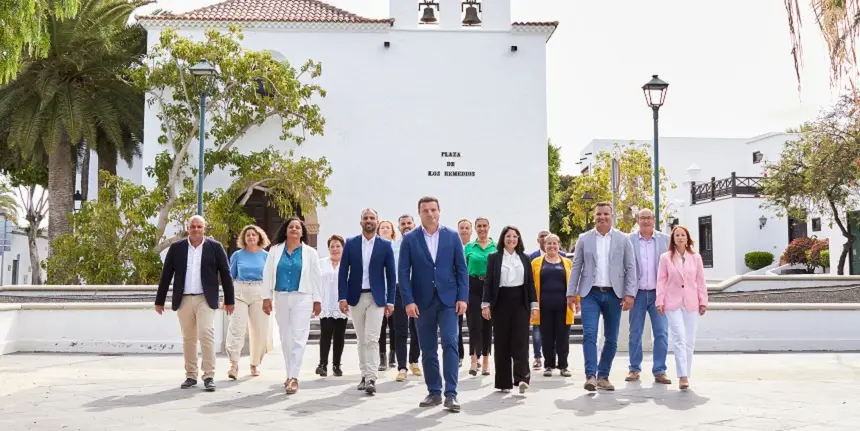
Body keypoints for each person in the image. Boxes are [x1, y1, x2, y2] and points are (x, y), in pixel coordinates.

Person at [399, 196, 468, 412]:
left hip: (448, 300)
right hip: (422, 302)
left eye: (433, 210)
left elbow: (461, 269)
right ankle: (434, 392)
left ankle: (451, 394)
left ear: (439, 211)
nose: (430, 214)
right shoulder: (410, 239)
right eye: (426, 210)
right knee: (428, 349)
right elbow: (403, 272)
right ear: (419, 213)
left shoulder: (452, 236)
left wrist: (463, 297)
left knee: (450, 342)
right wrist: (408, 301)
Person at [155, 215, 235, 392]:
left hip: (205, 299)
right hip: (183, 299)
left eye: (199, 226)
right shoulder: (177, 248)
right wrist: (159, 300)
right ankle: (191, 375)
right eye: (193, 226)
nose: (196, 229)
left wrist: (230, 300)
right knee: (188, 338)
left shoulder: (215, 247)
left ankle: (209, 376)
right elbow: (166, 274)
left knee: (206, 334)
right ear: (188, 228)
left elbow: (226, 273)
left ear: (205, 228)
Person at [566, 202, 636, 392]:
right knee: (589, 334)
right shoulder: (584, 238)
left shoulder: (623, 239)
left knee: (611, 337)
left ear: (612, 216)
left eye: (606, 214)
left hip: (615, 294)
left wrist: (630, 293)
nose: (602, 217)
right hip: (590, 293)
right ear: (594, 216)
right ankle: (590, 375)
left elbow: (630, 267)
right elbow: (576, 266)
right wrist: (571, 293)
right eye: (598, 214)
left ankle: (603, 375)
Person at [261, 217, 322, 395]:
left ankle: (294, 376)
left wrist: (317, 300)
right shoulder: (275, 250)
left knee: (298, 338)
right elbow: (267, 274)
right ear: (285, 230)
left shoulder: (310, 252)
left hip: (302, 297)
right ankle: (289, 374)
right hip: (280, 296)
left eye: (297, 227)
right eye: (291, 227)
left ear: (302, 232)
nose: (294, 229)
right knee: (286, 339)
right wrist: (267, 297)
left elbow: (316, 278)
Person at [339, 209, 396, 395]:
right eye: (366, 218)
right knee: (361, 339)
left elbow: (391, 274)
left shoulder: (385, 245)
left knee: (372, 338)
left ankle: (371, 377)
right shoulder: (350, 243)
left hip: (376, 298)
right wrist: (342, 297)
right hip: (355, 297)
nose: (369, 221)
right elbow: (343, 272)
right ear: (361, 221)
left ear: (377, 221)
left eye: (372, 218)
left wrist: (391, 300)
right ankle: (363, 375)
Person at [481, 225, 538, 394]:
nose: (512, 239)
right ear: (503, 239)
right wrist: (485, 304)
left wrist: (534, 305)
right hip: (501, 302)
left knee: (520, 341)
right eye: (508, 236)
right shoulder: (494, 257)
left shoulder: (525, 258)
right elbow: (489, 282)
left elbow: (530, 284)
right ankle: (503, 382)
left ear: (518, 239)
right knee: (502, 342)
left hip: (520, 302)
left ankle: (522, 379)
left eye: (515, 236)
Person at [656, 225, 708, 390]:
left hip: (691, 302)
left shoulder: (696, 258)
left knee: (689, 340)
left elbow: (700, 281)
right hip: (673, 303)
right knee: (679, 337)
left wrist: (703, 301)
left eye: (683, 235)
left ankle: (687, 372)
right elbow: (661, 280)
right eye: (677, 235)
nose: (680, 238)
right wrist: (660, 301)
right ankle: (682, 376)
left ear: (687, 238)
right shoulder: (665, 258)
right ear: (673, 239)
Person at [626, 209, 672, 385]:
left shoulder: (665, 240)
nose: (646, 221)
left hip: (658, 294)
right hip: (636, 294)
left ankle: (660, 371)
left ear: (654, 220)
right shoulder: (629, 240)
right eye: (642, 218)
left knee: (661, 332)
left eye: (649, 218)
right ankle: (634, 369)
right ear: (638, 220)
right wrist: (627, 293)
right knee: (635, 333)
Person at [226, 225, 270, 380]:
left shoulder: (266, 256)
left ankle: (254, 364)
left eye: (254, 235)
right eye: (248, 235)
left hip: (259, 292)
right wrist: (227, 298)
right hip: (240, 292)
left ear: (259, 237)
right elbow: (230, 277)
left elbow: (270, 278)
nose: (251, 237)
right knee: (237, 327)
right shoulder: (238, 255)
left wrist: (268, 298)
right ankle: (234, 365)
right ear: (244, 239)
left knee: (259, 330)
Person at [531, 233, 573, 377]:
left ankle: (563, 365)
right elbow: (531, 285)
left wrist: (576, 301)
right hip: (543, 306)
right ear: (544, 245)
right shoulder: (536, 262)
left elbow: (573, 284)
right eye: (549, 243)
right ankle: (548, 364)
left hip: (563, 306)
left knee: (563, 337)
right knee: (546, 336)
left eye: (554, 243)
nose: (552, 246)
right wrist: (532, 305)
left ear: (559, 245)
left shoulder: (567, 262)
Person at [464, 217, 495, 376]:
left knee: (487, 326)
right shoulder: (469, 247)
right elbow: (462, 270)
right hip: (472, 286)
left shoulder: (495, 247)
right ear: (475, 228)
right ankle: (473, 359)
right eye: (479, 226)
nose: (482, 229)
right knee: (473, 325)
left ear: (489, 227)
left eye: (484, 226)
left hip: (489, 287)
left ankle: (485, 361)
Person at [393, 214, 422, 382]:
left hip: (418, 289)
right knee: (401, 329)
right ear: (399, 227)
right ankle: (402, 366)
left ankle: (414, 361)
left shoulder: (421, 245)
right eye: (403, 224)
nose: (406, 226)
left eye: (408, 223)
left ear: (414, 224)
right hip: (399, 290)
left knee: (417, 328)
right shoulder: (394, 247)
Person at [316, 235, 348, 378]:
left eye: (338, 246)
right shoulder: (321, 263)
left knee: (340, 335)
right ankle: (322, 364)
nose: (335, 249)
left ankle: (337, 364)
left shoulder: (347, 264)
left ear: (343, 248)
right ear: (328, 249)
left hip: (342, 304)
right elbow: (315, 282)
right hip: (326, 303)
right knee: (325, 333)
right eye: (332, 246)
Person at [377, 220, 398, 370]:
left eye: (387, 227)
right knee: (380, 326)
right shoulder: (375, 248)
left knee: (395, 325)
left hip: (395, 288)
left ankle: (393, 355)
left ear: (392, 231)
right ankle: (382, 357)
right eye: (382, 227)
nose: (384, 229)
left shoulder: (398, 247)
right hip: (379, 289)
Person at [456, 219, 472, 366]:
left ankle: (475, 355)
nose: (464, 230)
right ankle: (459, 354)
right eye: (462, 228)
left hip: (474, 289)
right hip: (458, 291)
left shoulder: (474, 248)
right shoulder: (454, 246)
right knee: (457, 325)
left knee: (474, 325)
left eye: (467, 228)